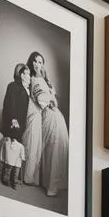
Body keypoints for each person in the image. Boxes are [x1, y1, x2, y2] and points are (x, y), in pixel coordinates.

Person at [27, 51, 69, 199]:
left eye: (40, 62)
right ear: (31, 63)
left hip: (57, 115)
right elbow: (41, 101)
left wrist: (51, 96)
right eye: (35, 61)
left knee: (59, 145)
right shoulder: (32, 80)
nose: (38, 65)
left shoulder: (46, 81)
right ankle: (49, 184)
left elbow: (54, 103)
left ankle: (56, 183)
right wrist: (50, 98)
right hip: (47, 116)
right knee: (51, 145)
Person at [1, 63, 30, 189]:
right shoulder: (12, 86)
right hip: (12, 121)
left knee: (17, 149)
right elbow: (10, 104)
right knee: (11, 148)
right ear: (20, 74)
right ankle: (6, 175)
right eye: (26, 73)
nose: (29, 76)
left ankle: (13, 176)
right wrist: (13, 119)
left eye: (29, 73)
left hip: (21, 123)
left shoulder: (24, 89)